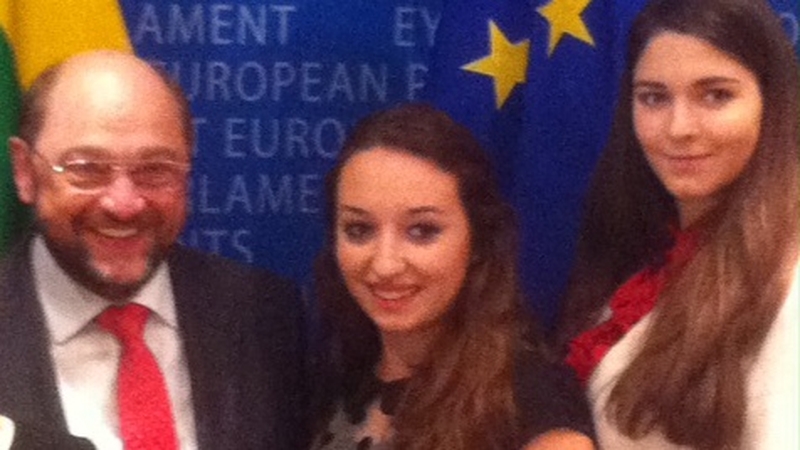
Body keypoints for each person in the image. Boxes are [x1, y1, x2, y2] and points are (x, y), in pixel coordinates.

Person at [1, 50, 307, 449]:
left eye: (155, 169)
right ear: (25, 171)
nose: (124, 204)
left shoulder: (262, 312)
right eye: (87, 169)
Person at [558, 0, 799, 448]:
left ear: (772, 104)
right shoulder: (648, 250)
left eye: (716, 95)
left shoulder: (789, 279)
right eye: (654, 97)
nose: (679, 128)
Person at [311, 103, 595, 450]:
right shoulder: (333, 374)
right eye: (359, 230)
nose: (385, 264)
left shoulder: (531, 397)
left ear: (478, 241)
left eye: (421, 231)